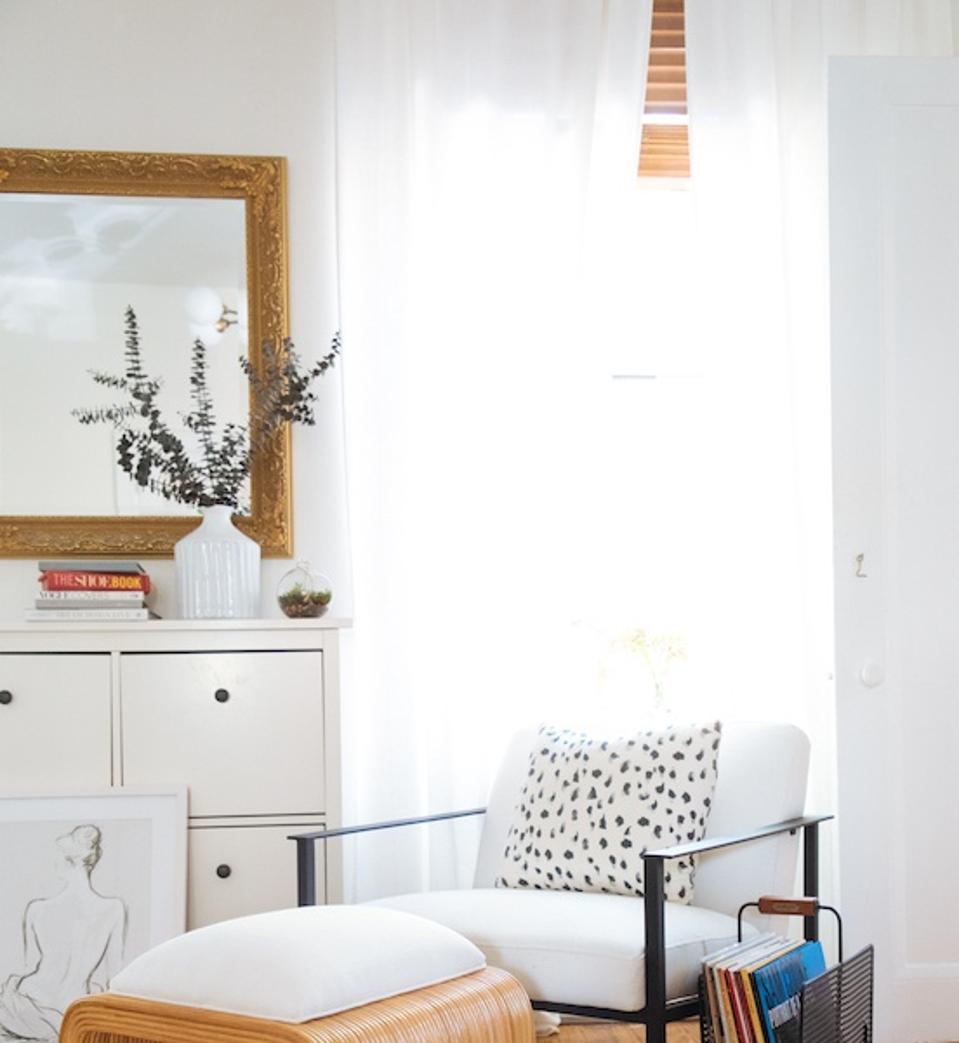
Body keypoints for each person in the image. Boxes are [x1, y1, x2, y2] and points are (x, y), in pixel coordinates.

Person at [0, 824, 127, 1042]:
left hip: (28, 1005)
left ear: (70, 861)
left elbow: (29, 966)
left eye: (57, 857)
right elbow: (114, 978)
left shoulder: (37, 909)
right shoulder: (114, 909)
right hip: (74, 1011)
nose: (54, 863)